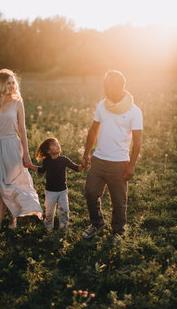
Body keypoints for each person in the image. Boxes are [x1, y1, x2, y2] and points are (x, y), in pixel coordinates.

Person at [0, 69, 43, 240]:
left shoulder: (17, 103)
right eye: (8, 82)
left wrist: (26, 154)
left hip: (12, 146)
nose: (12, 86)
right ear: (0, 84)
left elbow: (22, 130)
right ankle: (12, 216)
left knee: (4, 187)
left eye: (14, 83)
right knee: (3, 184)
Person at [81, 70, 143, 241]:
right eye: (104, 86)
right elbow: (94, 129)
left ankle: (118, 231)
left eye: (108, 87)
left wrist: (131, 165)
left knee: (118, 200)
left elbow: (138, 140)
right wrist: (86, 154)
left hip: (119, 162)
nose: (105, 90)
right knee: (91, 193)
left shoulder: (134, 111)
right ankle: (97, 223)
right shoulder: (102, 105)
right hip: (99, 159)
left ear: (119, 87)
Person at [29, 137, 83, 231]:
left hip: (62, 190)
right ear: (48, 151)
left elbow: (76, 168)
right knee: (49, 212)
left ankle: (64, 226)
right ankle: (48, 225)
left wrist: (83, 165)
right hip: (50, 192)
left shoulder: (64, 159)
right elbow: (41, 170)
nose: (57, 145)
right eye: (54, 145)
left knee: (64, 210)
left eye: (57, 143)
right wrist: (30, 166)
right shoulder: (47, 161)